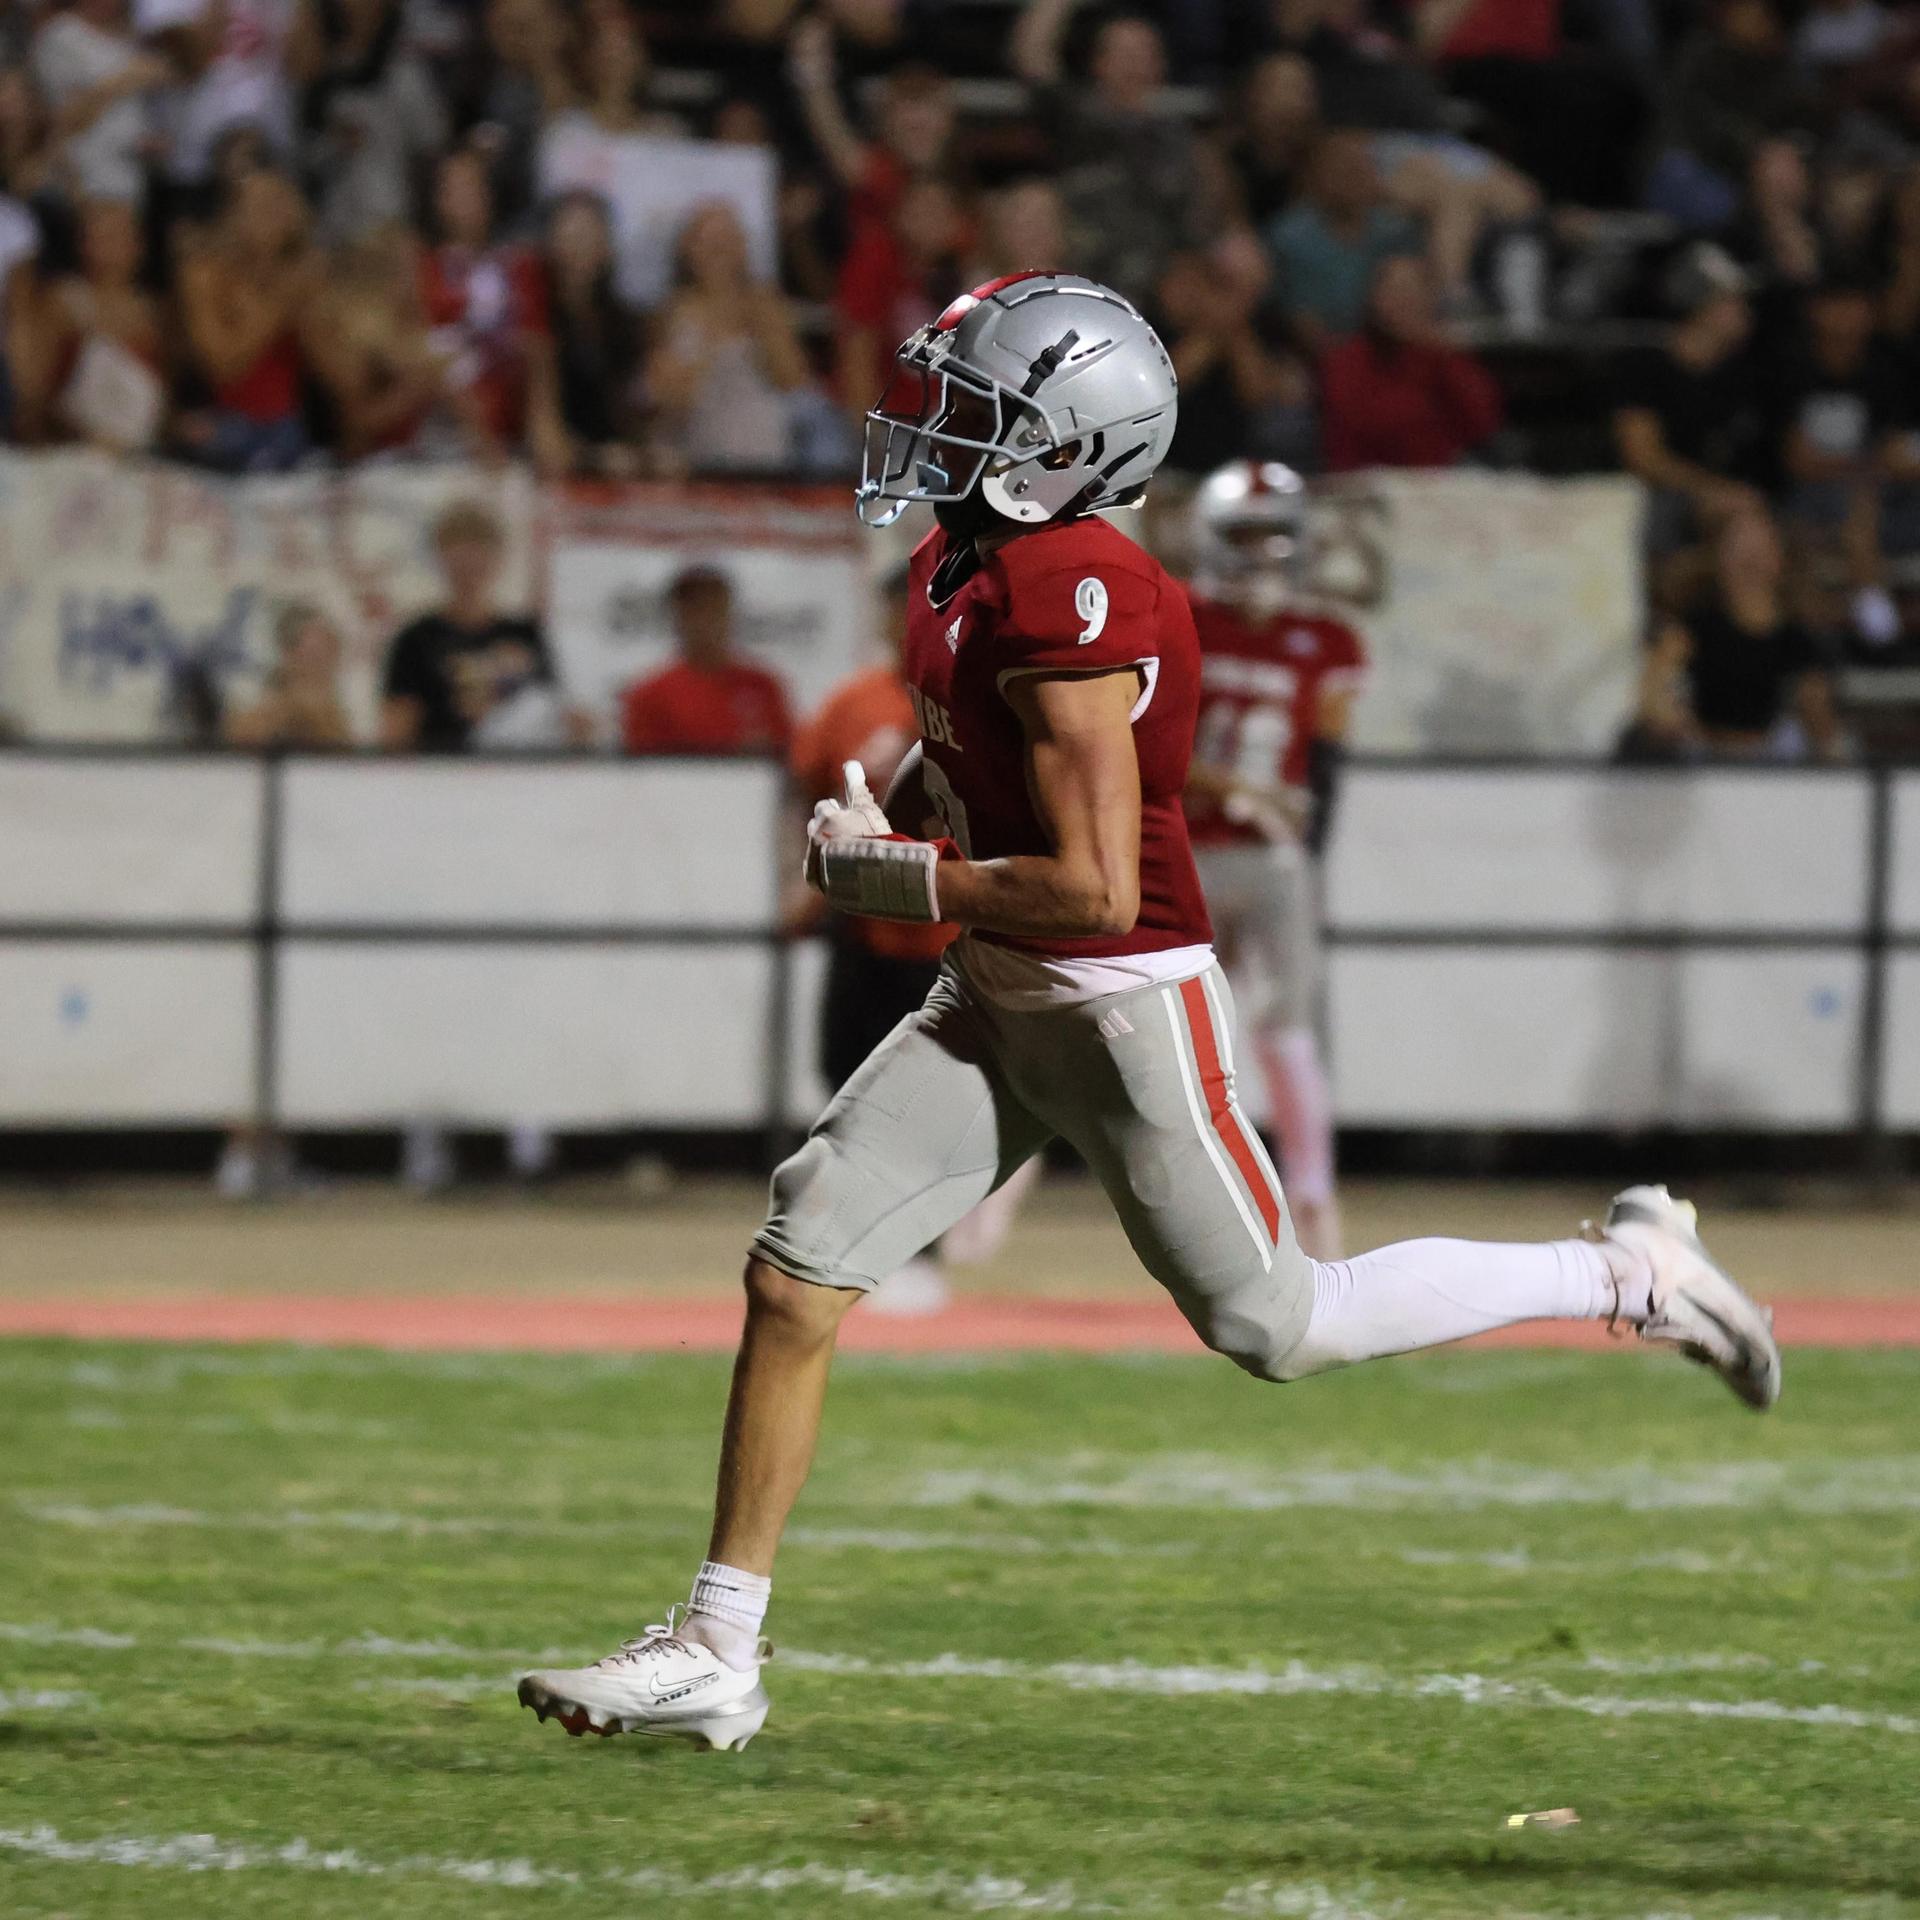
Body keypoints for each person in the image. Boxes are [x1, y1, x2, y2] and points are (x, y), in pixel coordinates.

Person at [516, 270, 1782, 1753]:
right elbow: (965, 765)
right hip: (998, 995)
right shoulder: (966, 562)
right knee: (798, 1269)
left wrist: (910, 880)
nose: (927, 425)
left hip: (1116, 1002)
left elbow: (1096, 889)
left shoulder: (1072, 585)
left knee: (1280, 1323)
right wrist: (894, 816)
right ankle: (717, 1647)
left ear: (1063, 446)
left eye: (967, 407)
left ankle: (1629, 1273)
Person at [1182, 460, 1363, 1259]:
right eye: (1244, 537)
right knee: (1174, 1030)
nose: (1261, 555)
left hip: (1273, 857)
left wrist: (1308, 847)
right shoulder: (1178, 619)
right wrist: (1229, 787)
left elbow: (1326, 758)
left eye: (1273, 537)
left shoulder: (1325, 638)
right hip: (1184, 847)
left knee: (1286, 1032)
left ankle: (1314, 1195)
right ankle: (1191, 1188)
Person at [1631, 508, 1844, 759]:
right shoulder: (1695, 627)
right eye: (1739, 551)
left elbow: (1822, 721)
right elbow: (1656, 683)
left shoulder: (1798, 640)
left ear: (1779, 560)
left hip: (1776, 760)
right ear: (1720, 559)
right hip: (1702, 755)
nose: (1751, 563)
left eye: (1759, 552)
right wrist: (1667, 713)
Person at [380, 496, 564, 754]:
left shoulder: (525, 634)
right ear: (441, 559)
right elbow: (396, 730)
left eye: (479, 554)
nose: (469, 566)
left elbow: (552, 715)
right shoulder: (417, 640)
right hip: (440, 778)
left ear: (497, 559)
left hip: (519, 778)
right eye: (458, 556)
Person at [1319, 253, 1503, 471]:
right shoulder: (1347, 358)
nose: (1404, 301)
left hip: (1436, 480)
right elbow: (1362, 423)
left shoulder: (1443, 355)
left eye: (1413, 291)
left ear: (1431, 298)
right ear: (1374, 298)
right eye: (1394, 291)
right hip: (1363, 480)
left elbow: (1483, 422)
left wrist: (1445, 355)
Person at [620, 565, 792, 757]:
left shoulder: (762, 686)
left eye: (716, 607)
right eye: (697, 608)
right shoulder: (649, 695)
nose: (707, 619)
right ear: (678, 617)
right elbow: (643, 771)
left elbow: (788, 756)